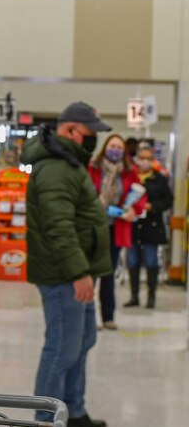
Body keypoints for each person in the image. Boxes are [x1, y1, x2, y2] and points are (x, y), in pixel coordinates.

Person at [21, 102, 112, 427]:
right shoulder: (56, 168)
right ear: (71, 131)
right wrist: (78, 273)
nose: (94, 141)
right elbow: (59, 227)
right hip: (64, 274)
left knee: (83, 341)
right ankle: (47, 419)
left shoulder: (68, 164)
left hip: (76, 270)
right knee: (62, 346)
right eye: (90, 134)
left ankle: (73, 408)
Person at [88, 134, 147, 330]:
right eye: (112, 146)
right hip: (93, 227)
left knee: (108, 272)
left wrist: (133, 210)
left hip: (116, 228)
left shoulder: (129, 173)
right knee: (91, 272)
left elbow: (139, 197)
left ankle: (108, 316)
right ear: (105, 148)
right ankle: (89, 316)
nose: (116, 150)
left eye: (119, 148)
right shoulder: (93, 169)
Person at [126, 143, 174, 309]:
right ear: (136, 160)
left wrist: (152, 206)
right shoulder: (131, 176)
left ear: (152, 160)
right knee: (132, 262)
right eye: (142, 158)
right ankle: (134, 296)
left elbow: (168, 200)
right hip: (133, 226)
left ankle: (151, 296)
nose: (144, 162)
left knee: (151, 261)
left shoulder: (159, 179)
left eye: (148, 159)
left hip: (151, 227)